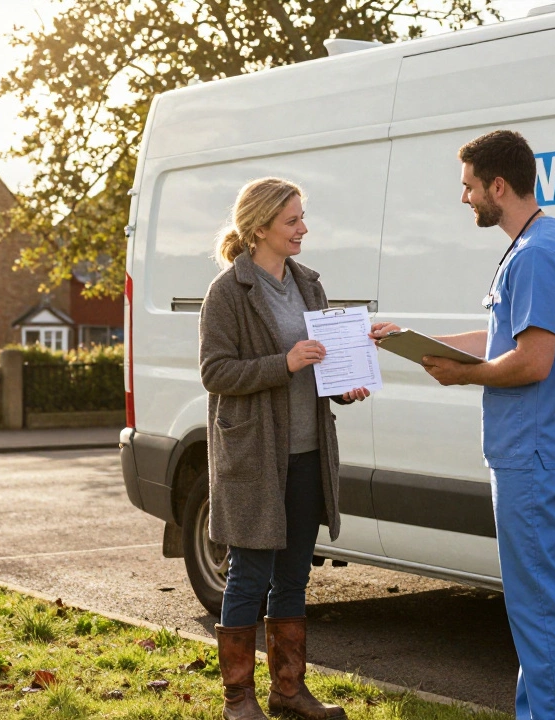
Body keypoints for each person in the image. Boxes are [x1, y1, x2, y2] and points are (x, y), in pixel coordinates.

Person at [371, 130, 555, 720]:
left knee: (540, 607)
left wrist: (462, 377)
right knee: (551, 602)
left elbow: (532, 360)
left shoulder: (537, 254)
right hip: (544, 451)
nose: (465, 198)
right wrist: (413, 341)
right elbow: (504, 340)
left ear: (499, 185)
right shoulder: (538, 244)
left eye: (469, 187)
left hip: (533, 454)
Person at [199, 177, 369, 720]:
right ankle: (238, 699)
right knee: (250, 574)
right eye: (292, 220)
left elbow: (317, 360)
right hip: (254, 457)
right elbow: (215, 372)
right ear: (260, 228)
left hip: (307, 453)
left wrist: (344, 380)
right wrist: (285, 364)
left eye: (302, 218)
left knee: (295, 574)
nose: (303, 229)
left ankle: (289, 691)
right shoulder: (228, 291)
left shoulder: (309, 284)